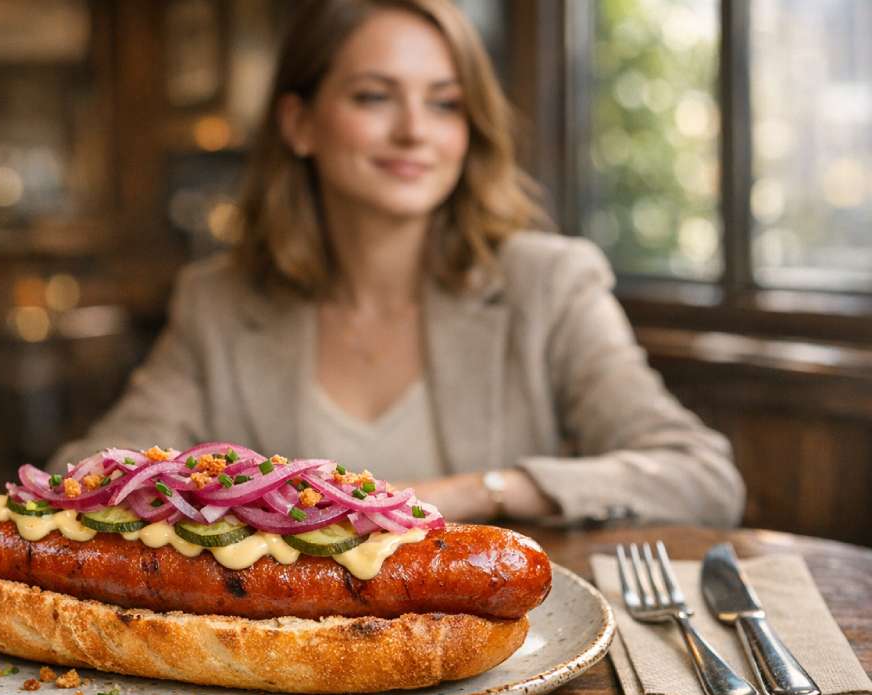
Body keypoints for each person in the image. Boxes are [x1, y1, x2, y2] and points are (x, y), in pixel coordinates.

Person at [50, 0, 745, 527]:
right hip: (294, 671)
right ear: (299, 124)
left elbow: (704, 478)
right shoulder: (220, 301)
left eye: (444, 104)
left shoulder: (550, 282)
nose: (415, 131)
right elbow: (82, 476)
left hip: (504, 659)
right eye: (374, 97)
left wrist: (487, 490)